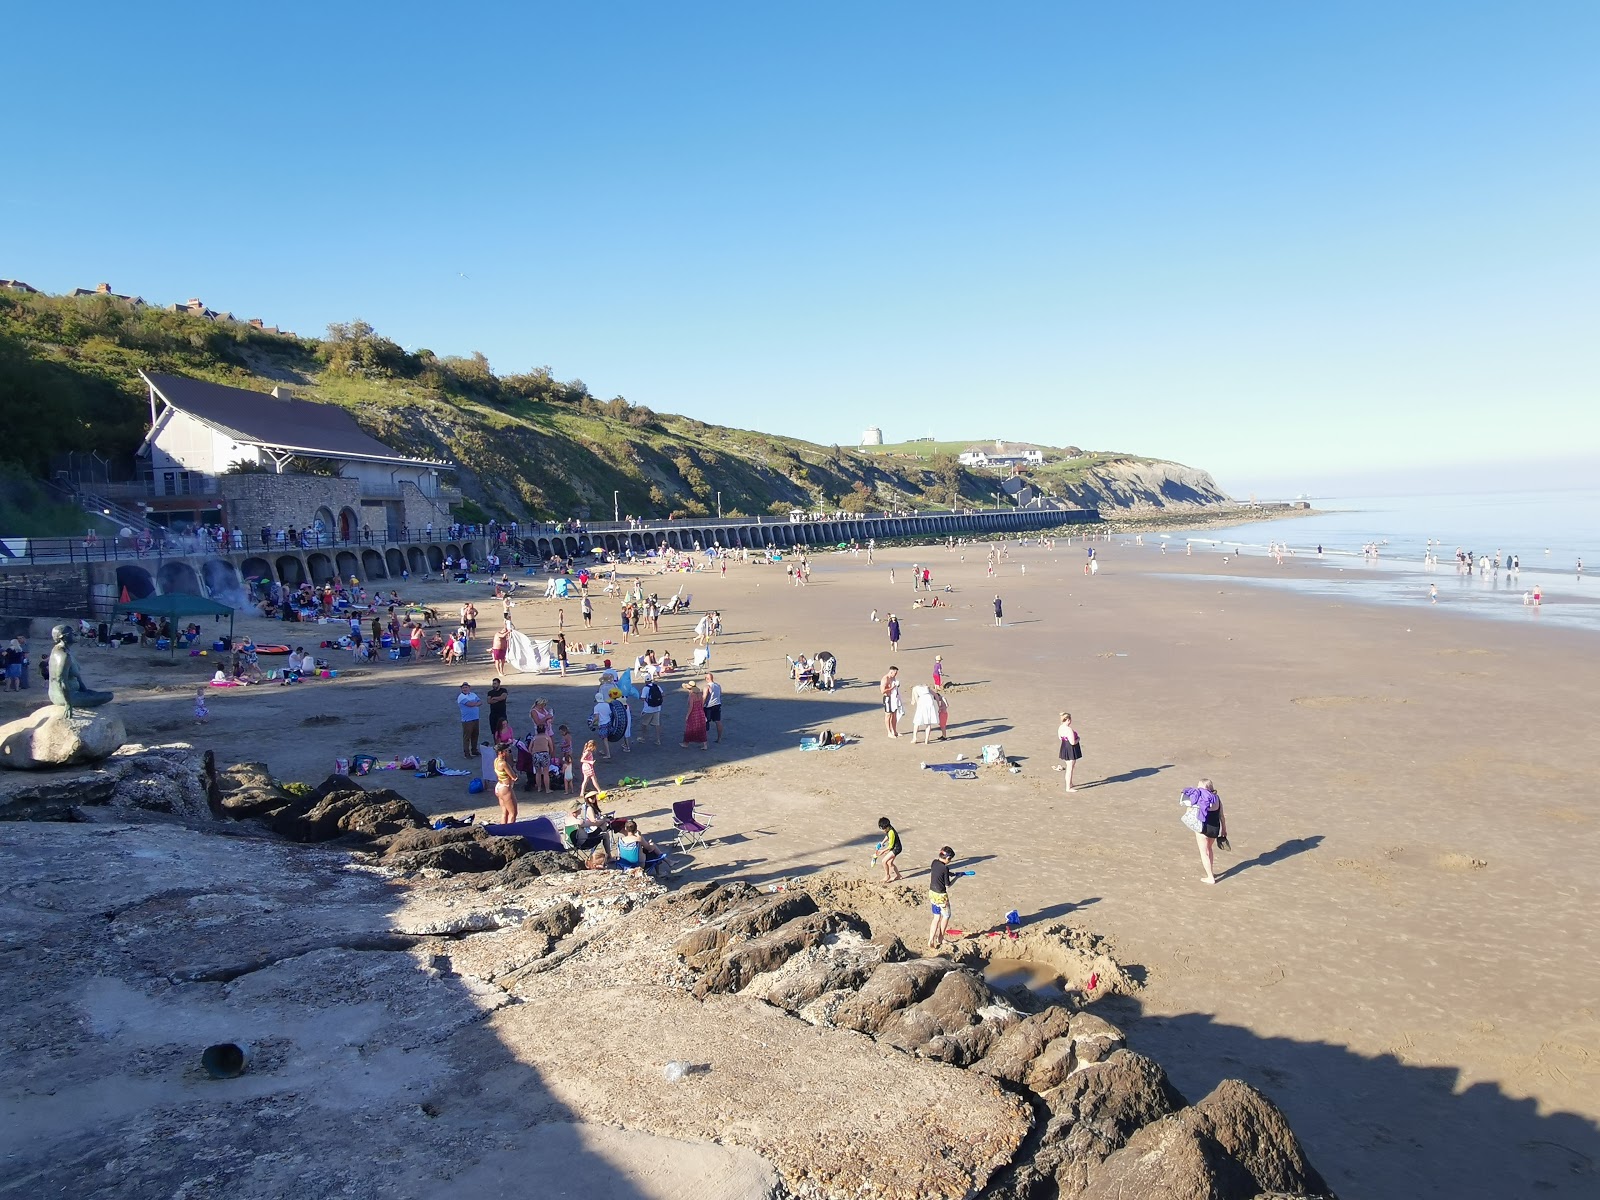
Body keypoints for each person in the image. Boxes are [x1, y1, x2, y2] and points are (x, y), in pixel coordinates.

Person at [1182, 778, 1229, 884]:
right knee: (1209, 849)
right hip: (1215, 828)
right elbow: (1221, 816)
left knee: (1204, 852)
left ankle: (1210, 877)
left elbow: (1190, 810)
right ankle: (1210, 872)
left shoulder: (1200, 798)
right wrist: (1224, 830)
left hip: (1203, 828)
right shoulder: (1217, 798)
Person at [927, 846, 972, 951]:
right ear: (948, 858)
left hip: (932, 893)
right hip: (941, 896)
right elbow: (948, 884)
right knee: (946, 915)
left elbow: (941, 873)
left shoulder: (934, 863)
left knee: (936, 917)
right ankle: (941, 938)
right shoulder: (945, 868)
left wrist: (954, 873)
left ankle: (931, 939)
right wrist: (957, 877)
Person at [493, 742, 520, 825]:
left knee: (504, 813)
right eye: (506, 751)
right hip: (505, 787)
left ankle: (503, 831)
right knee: (513, 813)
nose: (508, 752)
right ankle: (510, 832)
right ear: (502, 752)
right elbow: (513, 776)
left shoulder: (496, 760)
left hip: (499, 786)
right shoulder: (504, 763)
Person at [872, 817, 903, 883]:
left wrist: (883, 851)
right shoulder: (889, 829)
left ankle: (887, 876)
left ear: (887, 827)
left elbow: (890, 846)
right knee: (889, 863)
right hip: (894, 847)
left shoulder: (891, 832)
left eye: (883, 829)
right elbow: (887, 836)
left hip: (896, 848)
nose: (883, 830)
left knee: (884, 861)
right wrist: (882, 843)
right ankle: (898, 876)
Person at [681, 680, 709, 749]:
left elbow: (691, 706)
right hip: (700, 712)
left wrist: (687, 715)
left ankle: (686, 743)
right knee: (702, 729)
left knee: (689, 728)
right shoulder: (699, 694)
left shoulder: (692, 695)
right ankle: (705, 745)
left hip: (693, 713)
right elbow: (702, 704)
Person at [1057, 712, 1082, 791]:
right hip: (1070, 749)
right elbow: (1072, 742)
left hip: (1064, 747)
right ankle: (1068, 787)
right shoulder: (1068, 729)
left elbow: (1060, 738)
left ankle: (1070, 783)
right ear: (1068, 720)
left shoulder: (1060, 727)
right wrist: (1078, 739)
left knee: (1069, 767)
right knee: (1070, 768)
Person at [457, 682, 482, 758]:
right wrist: (476, 703)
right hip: (467, 720)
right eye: (463, 688)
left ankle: (474, 750)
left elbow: (480, 702)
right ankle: (467, 753)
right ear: (461, 689)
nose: (465, 689)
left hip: (475, 718)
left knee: (475, 735)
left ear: (469, 688)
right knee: (467, 737)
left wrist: (474, 704)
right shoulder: (461, 697)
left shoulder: (473, 694)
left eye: (466, 687)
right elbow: (470, 704)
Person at [640, 675, 664, 745]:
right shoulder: (657, 686)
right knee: (657, 724)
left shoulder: (645, 688)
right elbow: (662, 694)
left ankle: (643, 738)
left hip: (648, 709)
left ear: (645, 681)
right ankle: (658, 740)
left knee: (644, 723)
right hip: (657, 708)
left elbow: (643, 698)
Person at [880, 665, 902, 738]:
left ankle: (894, 731)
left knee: (894, 715)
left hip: (894, 698)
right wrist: (892, 688)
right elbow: (882, 691)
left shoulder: (893, 678)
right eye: (895, 673)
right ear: (891, 672)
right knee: (888, 715)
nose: (895, 675)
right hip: (888, 698)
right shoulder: (885, 679)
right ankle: (889, 732)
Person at [703, 672, 724, 743]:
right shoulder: (718, 685)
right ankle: (719, 738)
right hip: (717, 704)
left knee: (705, 722)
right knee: (718, 721)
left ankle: (704, 741)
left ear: (707, 679)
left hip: (709, 706)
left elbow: (704, 697)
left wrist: (701, 705)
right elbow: (720, 694)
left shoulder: (707, 687)